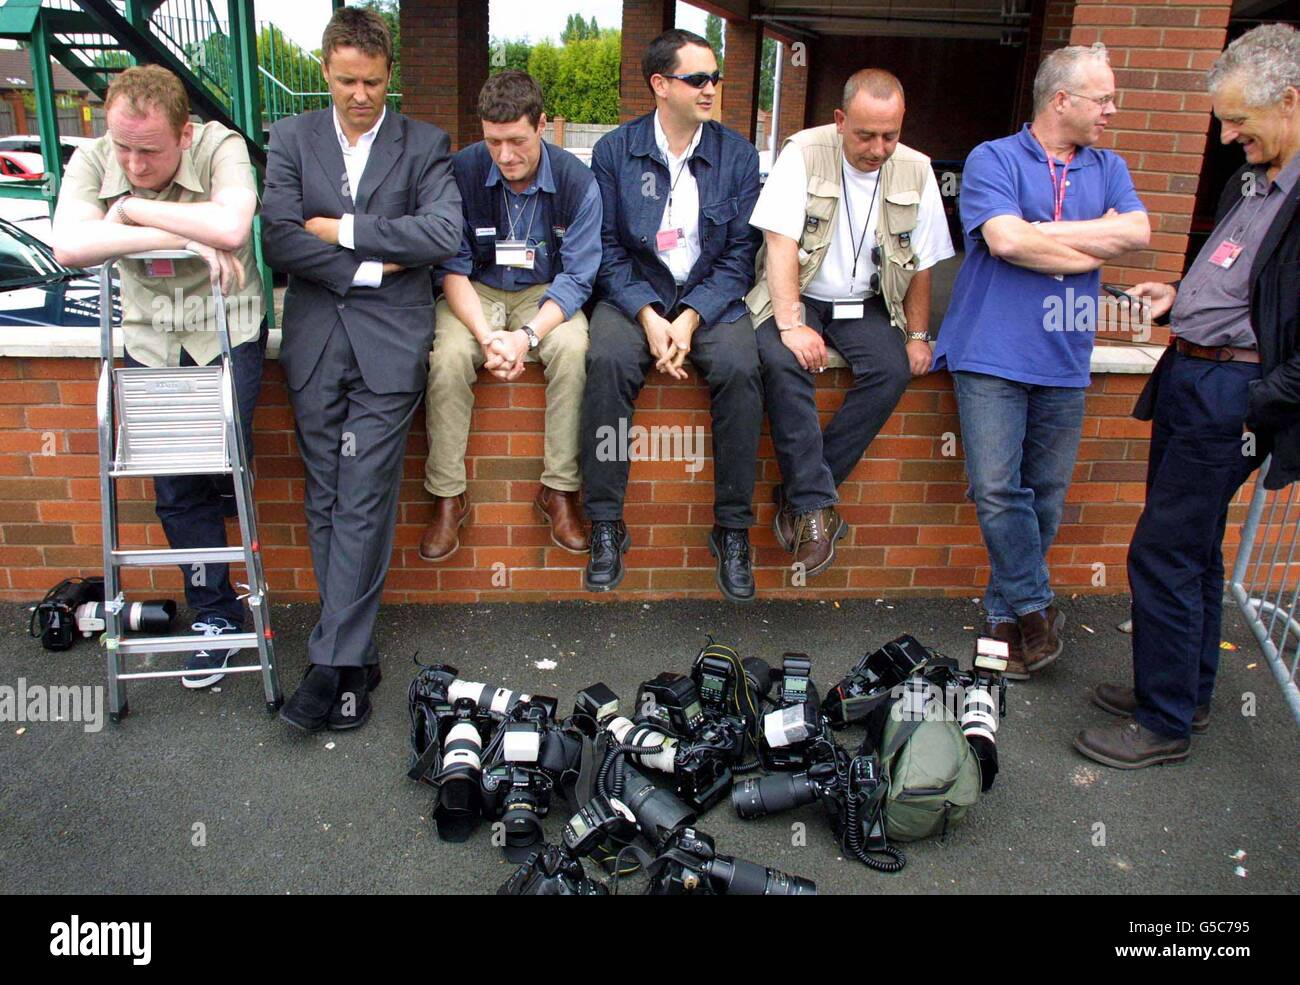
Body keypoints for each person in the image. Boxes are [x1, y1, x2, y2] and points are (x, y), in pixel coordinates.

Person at [1076, 24, 1300, 769]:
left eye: (1240, 119)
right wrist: (1177, 299)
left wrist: (1260, 399)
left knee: (1163, 549)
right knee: (1194, 545)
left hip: (1232, 390)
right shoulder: (1257, 184)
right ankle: (1187, 692)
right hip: (1192, 373)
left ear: (1291, 102)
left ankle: (1163, 719)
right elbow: (1240, 280)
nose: (1230, 135)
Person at [261, 7, 461, 731]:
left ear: (389, 76)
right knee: (325, 497)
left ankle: (327, 663)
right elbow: (279, 238)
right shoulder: (290, 138)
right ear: (325, 73)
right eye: (346, 81)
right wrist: (374, 266)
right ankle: (356, 654)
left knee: (364, 493)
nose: (360, 95)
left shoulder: (426, 144)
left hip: (388, 351)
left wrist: (341, 230)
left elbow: (441, 232)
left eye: (373, 81)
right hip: (315, 344)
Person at [932, 42, 1150, 679]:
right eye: (1102, 98)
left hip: (1065, 353)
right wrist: (1087, 241)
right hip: (990, 351)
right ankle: (1034, 605)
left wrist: (1038, 234)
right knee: (998, 489)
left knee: (1045, 496)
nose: (1112, 110)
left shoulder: (1108, 166)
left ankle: (1004, 617)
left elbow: (1136, 234)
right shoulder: (992, 158)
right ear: (1062, 99)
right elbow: (1001, 239)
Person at [51, 65, 263, 691]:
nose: (133, 162)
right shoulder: (93, 158)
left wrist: (128, 215)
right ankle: (214, 617)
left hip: (222, 333)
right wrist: (177, 234)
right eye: (123, 148)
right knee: (175, 488)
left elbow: (231, 228)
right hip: (150, 342)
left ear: (185, 134)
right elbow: (68, 246)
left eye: (149, 150)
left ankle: (232, 576)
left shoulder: (220, 146)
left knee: (225, 467)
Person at [748, 68, 954, 577]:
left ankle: (803, 499)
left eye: (891, 135)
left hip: (866, 300)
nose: (879, 148)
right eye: (865, 134)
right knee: (780, 358)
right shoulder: (803, 152)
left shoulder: (917, 169)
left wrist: (919, 335)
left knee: (890, 369)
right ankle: (816, 507)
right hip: (801, 290)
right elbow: (780, 243)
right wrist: (792, 322)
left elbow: (923, 261)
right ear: (841, 120)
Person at [582, 29, 762, 601]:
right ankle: (606, 524)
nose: (712, 88)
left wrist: (689, 318)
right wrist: (646, 315)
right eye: (698, 79)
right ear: (661, 85)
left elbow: (740, 256)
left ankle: (732, 530)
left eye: (716, 78)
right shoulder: (615, 150)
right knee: (607, 359)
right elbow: (605, 248)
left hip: (710, 298)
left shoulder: (737, 155)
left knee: (740, 369)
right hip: (633, 293)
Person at [420, 70, 600, 562]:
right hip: (474, 290)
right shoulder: (460, 172)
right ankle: (448, 495)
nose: (505, 156)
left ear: (542, 125)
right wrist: (485, 334)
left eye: (517, 140)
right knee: (449, 356)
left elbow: (579, 277)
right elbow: (451, 269)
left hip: (546, 292)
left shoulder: (576, 181)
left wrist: (523, 337)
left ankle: (559, 491)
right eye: (493, 141)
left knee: (573, 348)